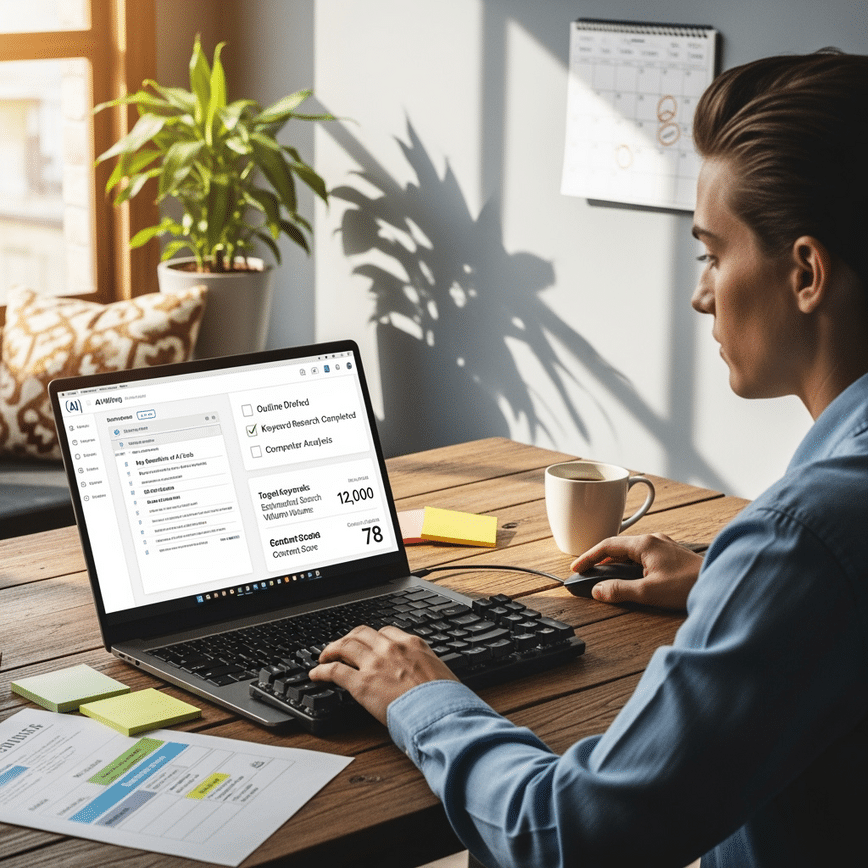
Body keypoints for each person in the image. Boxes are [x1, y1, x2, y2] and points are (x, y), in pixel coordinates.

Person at [310, 52, 868, 867]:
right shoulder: (817, 536)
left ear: (807, 272)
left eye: (712, 254)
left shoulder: (808, 533)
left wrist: (422, 698)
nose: (701, 294)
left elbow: (569, 837)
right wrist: (725, 577)